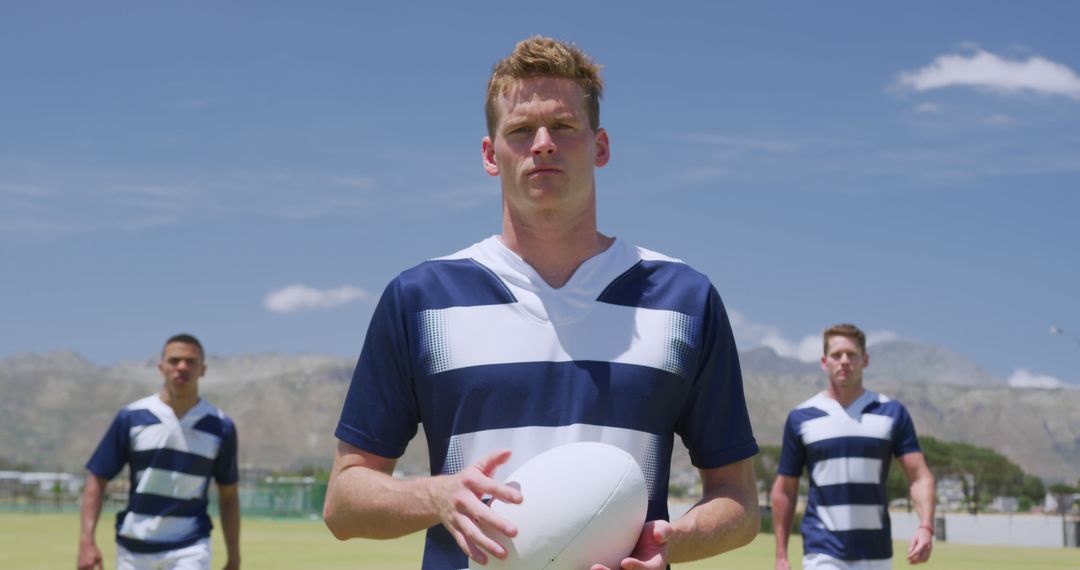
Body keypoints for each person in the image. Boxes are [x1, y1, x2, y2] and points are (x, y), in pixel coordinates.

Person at [323, 36, 760, 570]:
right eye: (521, 130)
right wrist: (438, 497)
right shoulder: (421, 300)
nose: (544, 143)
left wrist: (670, 542)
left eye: (564, 127)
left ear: (600, 146)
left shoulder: (684, 300)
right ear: (491, 154)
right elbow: (344, 502)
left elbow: (739, 498)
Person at [770, 323, 936, 570]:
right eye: (837, 355)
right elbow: (784, 490)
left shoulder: (892, 413)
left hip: (876, 552)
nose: (844, 361)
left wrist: (925, 527)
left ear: (865, 360)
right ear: (824, 362)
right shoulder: (801, 418)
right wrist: (781, 555)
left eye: (852, 354)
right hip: (822, 551)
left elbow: (920, 477)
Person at [78, 333, 240, 570]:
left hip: (190, 547)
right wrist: (86, 542)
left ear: (202, 369)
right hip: (134, 549)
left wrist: (234, 558)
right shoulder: (131, 417)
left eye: (190, 361)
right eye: (174, 360)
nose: (182, 367)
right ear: (161, 367)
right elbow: (98, 479)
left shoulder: (221, 426)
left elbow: (228, 496)